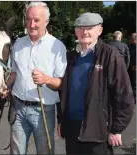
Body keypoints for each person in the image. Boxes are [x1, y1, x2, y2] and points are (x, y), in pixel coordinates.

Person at [57, 12, 135, 155]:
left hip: (98, 129)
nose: (84, 32)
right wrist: (62, 120)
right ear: (75, 31)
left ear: (99, 31)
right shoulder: (70, 57)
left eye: (90, 28)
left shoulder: (110, 55)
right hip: (72, 127)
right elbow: (63, 92)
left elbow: (124, 95)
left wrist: (116, 129)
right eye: (80, 28)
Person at [7, 2, 67, 154]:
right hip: (18, 108)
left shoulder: (57, 46)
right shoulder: (18, 44)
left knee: (45, 152)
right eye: (28, 19)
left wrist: (46, 79)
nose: (31, 24)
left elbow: (62, 83)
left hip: (43, 110)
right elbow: (14, 73)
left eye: (36, 20)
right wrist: (5, 86)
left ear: (46, 21)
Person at [128, 33, 136, 99]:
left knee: (134, 84)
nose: (130, 39)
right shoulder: (130, 46)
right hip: (130, 67)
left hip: (134, 68)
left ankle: (134, 98)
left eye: (131, 38)